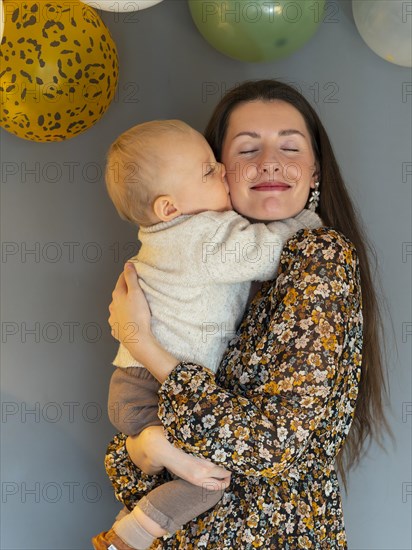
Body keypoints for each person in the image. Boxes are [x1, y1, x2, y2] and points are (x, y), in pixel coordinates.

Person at [102, 80, 390, 549]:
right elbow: (126, 466)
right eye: (247, 148)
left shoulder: (320, 256)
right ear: (222, 170)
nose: (270, 161)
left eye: (290, 146)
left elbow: (268, 445)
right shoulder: (200, 267)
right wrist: (146, 447)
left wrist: (144, 347)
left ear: (315, 171)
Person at [93, 119, 322, 550]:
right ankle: (130, 533)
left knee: (184, 474)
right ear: (169, 207)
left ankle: (145, 478)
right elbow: (270, 251)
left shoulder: (165, 237)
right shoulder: (203, 237)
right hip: (154, 389)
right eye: (208, 171)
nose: (222, 173)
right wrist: (307, 219)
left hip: (133, 386)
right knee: (210, 479)